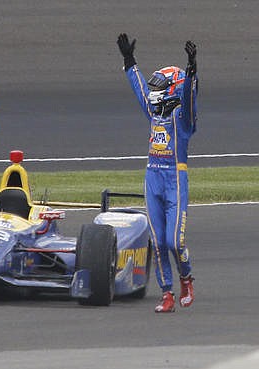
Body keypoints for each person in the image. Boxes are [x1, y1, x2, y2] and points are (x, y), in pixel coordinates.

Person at [117, 33, 198, 313]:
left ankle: (186, 277)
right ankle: (167, 294)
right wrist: (129, 61)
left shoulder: (184, 120)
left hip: (176, 179)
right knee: (158, 241)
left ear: (173, 88)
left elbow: (188, 99)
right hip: (152, 178)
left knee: (175, 242)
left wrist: (191, 72)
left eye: (160, 85)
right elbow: (140, 89)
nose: (154, 90)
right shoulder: (154, 112)